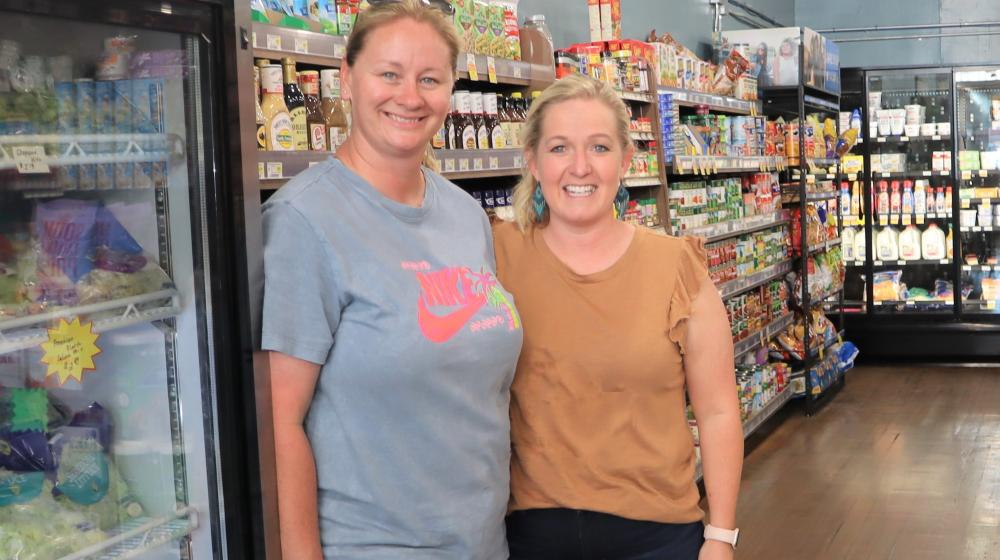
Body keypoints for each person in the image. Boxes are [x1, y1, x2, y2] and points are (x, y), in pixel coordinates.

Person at [260, 1, 522, 558]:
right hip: (374, 545)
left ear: (451, 90)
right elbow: (281, 424)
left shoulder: (464, 215)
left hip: (482, 542)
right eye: (389, 74)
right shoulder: (304, 220)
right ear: (347, 80)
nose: (410, 96)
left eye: (430, 78)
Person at [494, 74, 744, 560]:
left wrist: (721, 536)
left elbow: (717, 412)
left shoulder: (676, 268)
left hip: (658, 536)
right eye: (560, 147)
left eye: (600, 148)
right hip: (530, 535)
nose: (580, 167)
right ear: (533, 160)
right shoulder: (497, 257)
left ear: (627, 160)